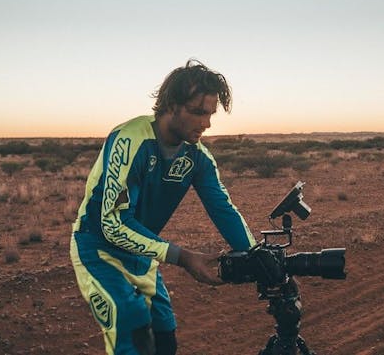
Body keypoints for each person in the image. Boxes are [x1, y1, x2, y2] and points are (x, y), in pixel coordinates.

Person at [69, 59, 256, 355]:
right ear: (171, 105)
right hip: (99, 249)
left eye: (210, 114)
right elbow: (113, 224)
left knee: (165, 335)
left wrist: (256, 256)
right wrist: (182, 257)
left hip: (142, 254)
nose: (206, 124)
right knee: (131, 323)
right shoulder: (130, 139)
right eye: (197, 112)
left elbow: (223, 208)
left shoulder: (198, 157)